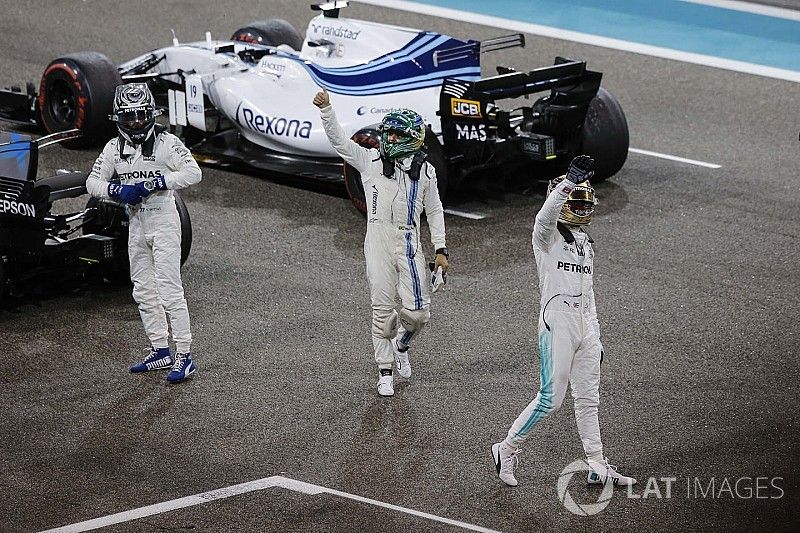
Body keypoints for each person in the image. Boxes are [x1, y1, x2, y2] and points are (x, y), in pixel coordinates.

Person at [491, 156, 636, 487]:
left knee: (588, 398)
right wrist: (566, 184)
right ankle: (506, 448)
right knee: (551, 399)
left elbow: (590, 294)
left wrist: (595, 336)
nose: (583, 208)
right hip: (557, 324)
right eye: (576, 201)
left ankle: (598, 465)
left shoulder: (586, 244)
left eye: (586, 202)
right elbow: (544, 216)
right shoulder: (546, 237)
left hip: (585, 325)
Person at [313, 87, 449, 397]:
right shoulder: (370, 161)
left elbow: (436, 209)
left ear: (413, 139)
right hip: (377, 243)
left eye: (397, 135)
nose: (389, 140)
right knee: (382, 313)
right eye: (388, 133)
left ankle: (402, 344)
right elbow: (339, 142)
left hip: (409, 243)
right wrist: (327, 109)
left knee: (418, 314)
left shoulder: (426, 172)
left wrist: (440, 250)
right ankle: (385, 370)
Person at [86, 82, 201, 384]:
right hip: (136, 224)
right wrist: (116, 190)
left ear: (151, 114)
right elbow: (92, 183)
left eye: (141, 115)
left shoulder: (168, 142)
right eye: (129, 117)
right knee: (143, 290)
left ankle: (185, 356)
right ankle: (160, 349)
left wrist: (155, 183)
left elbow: (193, 172)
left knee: (169, 289)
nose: (136, 122)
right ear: (118, 119)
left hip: (164, 220)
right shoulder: (113, 148)